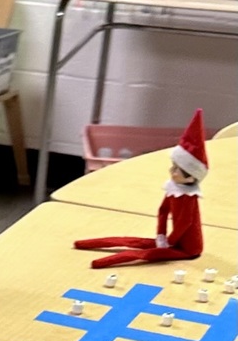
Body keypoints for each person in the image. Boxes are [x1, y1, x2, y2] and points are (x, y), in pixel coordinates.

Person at [73, 109, 207, 268]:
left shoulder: (188, 196)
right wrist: (161, 235)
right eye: (174, 166)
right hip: (174, 239)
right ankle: (83, 244)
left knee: (143, 254)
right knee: (128, 241)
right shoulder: (173, 188)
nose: (172, 171)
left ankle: (100, 263)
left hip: (189, 247)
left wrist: (170, 241)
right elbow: (163, 211)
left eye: (178, 170)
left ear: (191, 177)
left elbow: (185, 223)